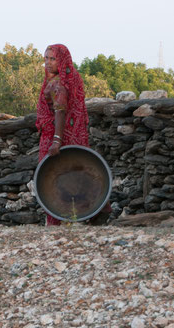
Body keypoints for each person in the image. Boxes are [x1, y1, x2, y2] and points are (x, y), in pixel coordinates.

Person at [35, 44, 111, 226]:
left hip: (55, 135)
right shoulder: (70, 77)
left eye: (53, 59)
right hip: (73, 134)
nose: (48, 62)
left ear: (62, 60)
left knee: (50, 176)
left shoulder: (58, 84)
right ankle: (101, 210)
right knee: (80, 171)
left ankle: (55, 221)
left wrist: (56, 140)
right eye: (46, 58)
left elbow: (60, 111)